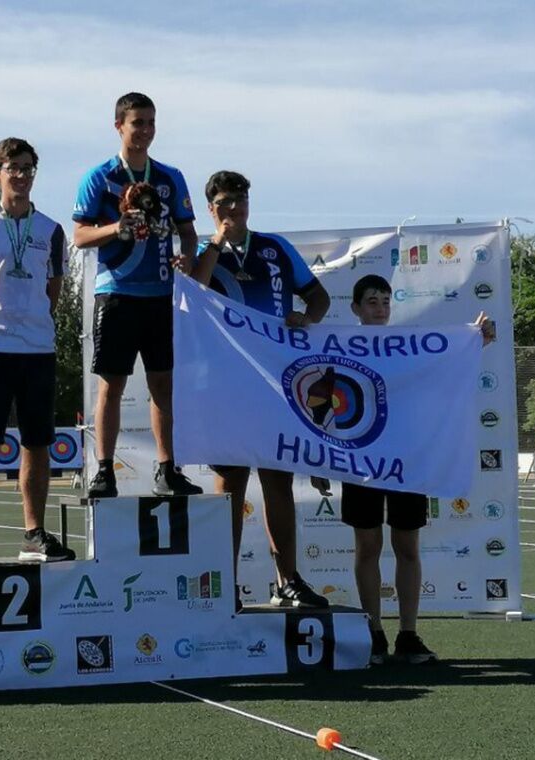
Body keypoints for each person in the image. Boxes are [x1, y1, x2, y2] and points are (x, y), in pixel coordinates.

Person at [337, 273, 493, 664]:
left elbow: (443, 364)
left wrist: (476, 339)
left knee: (407, 546)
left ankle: (408, 634)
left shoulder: (405, 346)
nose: (380, 308)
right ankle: (373, 632)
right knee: (367, 546)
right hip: (360, 460)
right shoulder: (339, 347)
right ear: (356, 308)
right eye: (372, 301)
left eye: (386, 301)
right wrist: (323, 456)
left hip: (407, 459)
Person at [192, 170, 332, 609]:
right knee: (230, 482)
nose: (235, 209)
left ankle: (287, 580)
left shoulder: (274, 248)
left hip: (274, 380)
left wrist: (305, 320)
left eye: (241, 200)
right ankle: (225, 584)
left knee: (278, 479)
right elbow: (193, 291)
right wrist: (216, 240)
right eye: (226, 203)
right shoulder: (201, 250)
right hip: (224, 382)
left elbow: (319, 298)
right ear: (211, 208)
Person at [73, 92, 203, 499]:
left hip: (160, 294)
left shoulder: (170, 177)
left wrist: (187, 258)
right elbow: (79, 236)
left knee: (163, 385)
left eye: (150, 122)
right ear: (119, 127)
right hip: (117, 292)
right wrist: (117, 228)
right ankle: (105, 470)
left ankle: (167, 469)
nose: (145, 130)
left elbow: (189, 233)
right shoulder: (100, 176)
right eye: (137, 123)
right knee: (111, 386)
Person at [0, 137, 75, 565]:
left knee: (37, 443)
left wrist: (32, 325)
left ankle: (33, 532)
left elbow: (53, 291)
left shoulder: (52, 230)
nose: (21, 175)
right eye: (13, 168)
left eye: (27, 168)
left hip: (38, 350)